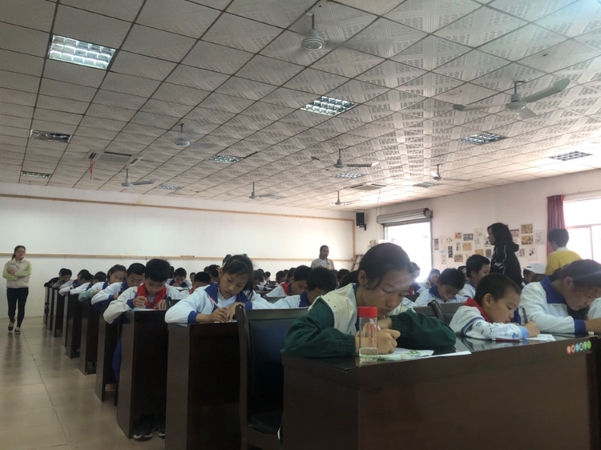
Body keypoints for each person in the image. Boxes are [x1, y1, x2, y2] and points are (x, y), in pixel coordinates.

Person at [283, 243, 456, 358]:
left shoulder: (396, 310)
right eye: (387, 291)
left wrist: (392, 323)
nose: (392, 303)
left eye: (401, 294)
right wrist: (362, 344)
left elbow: (447, 335)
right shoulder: (334, 305)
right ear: (363, 278)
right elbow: (296, 339)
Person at [104, 259, 187, 441]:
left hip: (165, 343)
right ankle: (144, 417)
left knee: (168, 375)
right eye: (151, 284)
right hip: (136, 345)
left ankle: (163, 415)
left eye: (160, 285)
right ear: (144, 277)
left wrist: (171, 307)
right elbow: (108, 315)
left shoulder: (173, 293)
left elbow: (188, 312)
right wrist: (130, 304)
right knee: (135, 373)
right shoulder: (131, 292)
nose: (155, 289)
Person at [165, 254, 256, 324]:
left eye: (239, 285)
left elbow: (265, 307)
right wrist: (208, 317)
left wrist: (241, 305)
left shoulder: (247, 295)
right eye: (229, 281)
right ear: (220, 272)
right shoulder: (204, 293)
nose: (232, 288)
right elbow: (171, 314)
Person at [520, 260, 601, 334]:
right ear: (568, 282)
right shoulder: (534, 290)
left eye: (594, 298)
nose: (589, 303)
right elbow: (534, 323)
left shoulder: (576, 306)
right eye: (588, 296)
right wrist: (587, 325)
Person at [450, 274, 540, 340]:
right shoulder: (467, 312)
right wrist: (525, 330)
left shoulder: (484, 317)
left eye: (514, 310)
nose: (512, 316)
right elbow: (490, 332)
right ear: (488, 300)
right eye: (509, 308)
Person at [255, 267, 337, 309]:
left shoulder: (334, 307)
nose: (321, 303)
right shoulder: (291, 303)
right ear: (307, 289)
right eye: (318, 298)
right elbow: (268, 308)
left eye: (327, 299)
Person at [3, 245, 32, 334]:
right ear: (15, 252)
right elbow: (5, 274)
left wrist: (14, 273)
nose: (21, 253)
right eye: (19, 251)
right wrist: (17, 277)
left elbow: (28, 273)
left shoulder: (27, 263)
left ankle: (18, 326)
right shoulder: (9, 263)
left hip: (23, 288)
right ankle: (12, 320)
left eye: (23, 251)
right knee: (11, 308)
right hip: (11, 288)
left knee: (21, 307)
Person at [488, 222, 522, 287]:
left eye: (490, 234)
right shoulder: (506, 249)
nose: (488, 237)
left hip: (505, 289)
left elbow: (499, 274)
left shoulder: (502, 250)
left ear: (497, 234)